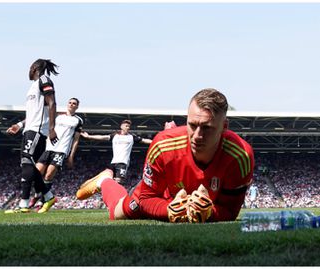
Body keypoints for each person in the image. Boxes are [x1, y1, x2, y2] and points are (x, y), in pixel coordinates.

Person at [76, 88, 254, 223]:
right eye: (192, 125)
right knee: (118, 214)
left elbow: (230, 211)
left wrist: (207, 213)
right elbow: (146, 199)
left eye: (207, 128)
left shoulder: (240, 156)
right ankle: (105, 180)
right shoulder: (163, 145)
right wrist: (169, 210)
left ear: (224, 126)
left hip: (192, 201)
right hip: (161, 194)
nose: (198, 135)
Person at [4, 58, 58, 214]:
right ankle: (48, 196)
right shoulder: (32, 87)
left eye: (29, 68)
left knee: (27, 163)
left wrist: (52, 128)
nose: (28, 71)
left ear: (34, 68)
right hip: (29, 129)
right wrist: (19, 125)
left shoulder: (44, 80)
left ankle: (24, 204)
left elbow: (52, 103)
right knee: (27, 165)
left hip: (38, 130)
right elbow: (35, 112)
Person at [31, 97, 83, 211]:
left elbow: (76, 140)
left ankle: (43, 202)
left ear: (77, 106)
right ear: (67, 104)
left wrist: (71, 156)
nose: (72, 105)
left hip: (61, 150)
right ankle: (36, 196)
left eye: (74, 103)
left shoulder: (78, 120)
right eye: (70, 102)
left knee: (48, 175)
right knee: (36, 173)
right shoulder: (58, 116)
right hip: (49, 148)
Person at [80, 119, 152, 184]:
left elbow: (144, 140)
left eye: (129, 126)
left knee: (118, 182)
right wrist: (89, 137)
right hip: (113, 162)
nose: (128, 128)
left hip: (123, 163)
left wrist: (157, 141)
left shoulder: (132, 137)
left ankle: (118, 198)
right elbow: (102, 137)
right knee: (110, 181)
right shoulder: (114, 136)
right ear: (121, 126)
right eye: (126, 126)